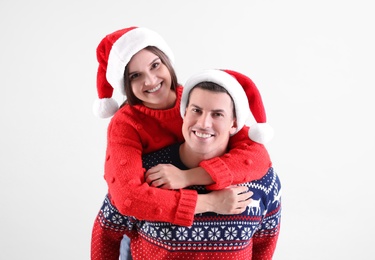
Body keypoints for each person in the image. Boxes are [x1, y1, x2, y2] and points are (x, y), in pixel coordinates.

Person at [91, 27, 274, 260]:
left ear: (167, 62)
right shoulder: (125, 124)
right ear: (125, 83)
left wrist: (189, 177)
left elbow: (256, 156)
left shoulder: (198, 99)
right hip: (147, 224)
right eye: (135, 76)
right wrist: (209, 202)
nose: (150, 80)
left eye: (155, 65)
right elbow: (128, 198)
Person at [116, 69, 281, 259]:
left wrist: (188, 178)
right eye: (196, 110)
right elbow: (108, 230)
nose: (204, 123)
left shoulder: (263, 180)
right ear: (184, 113)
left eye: (217, 114)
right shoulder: (146, 171)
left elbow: (264, 245)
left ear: (234, 124)